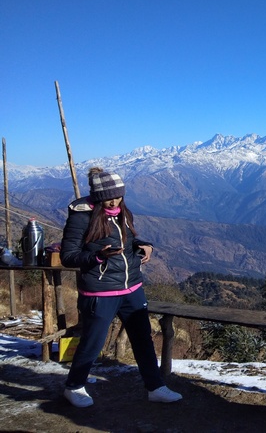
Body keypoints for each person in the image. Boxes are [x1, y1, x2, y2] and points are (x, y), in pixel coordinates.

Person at [60, 167, 182, 407]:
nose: (114, 200)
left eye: (117, 196)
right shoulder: (82, 216)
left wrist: (144, 245)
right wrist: (98, 257)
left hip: (132, 287)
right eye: (109, 197)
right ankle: (74, 386)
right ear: (97, 196)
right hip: (100, 291)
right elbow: (69, 256)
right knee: (92, 342)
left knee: (143, 339)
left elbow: (125, 241)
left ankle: (155, 386)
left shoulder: (121, 212)